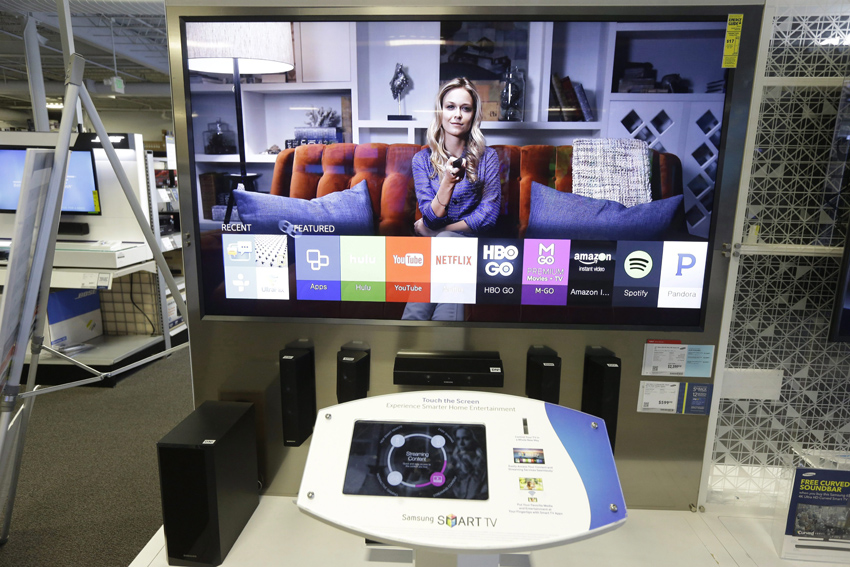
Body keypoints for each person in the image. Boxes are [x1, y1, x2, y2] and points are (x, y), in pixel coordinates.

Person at [402, 77, 501, 321]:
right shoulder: (422, 160)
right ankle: (436, 339)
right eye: (450, 107)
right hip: (442, 251)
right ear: (441, 112)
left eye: (465, 108)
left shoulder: (488, 158)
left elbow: (488, 216)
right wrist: (447, 182)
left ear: (473, 115)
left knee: (446, 241)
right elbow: (430, 217)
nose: (457, 115)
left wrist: (438, 234)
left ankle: (408, 335)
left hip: (472, 247)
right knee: (445, 245)